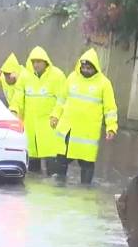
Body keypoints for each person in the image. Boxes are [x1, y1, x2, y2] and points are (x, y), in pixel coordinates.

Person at [50, 48, 118, 185]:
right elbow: (61, 100)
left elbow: (110, 108)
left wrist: (111, 127)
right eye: (84, 67)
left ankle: (85, 192)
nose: (86, 70)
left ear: (95, 67)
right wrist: (55, 116)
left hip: (88, 135)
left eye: (89, 68)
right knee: (61, 162)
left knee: (87, 165)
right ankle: (58, 190)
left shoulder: (104, 84)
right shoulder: (71, 78)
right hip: (67, 130)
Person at [10, 46, 66, 174]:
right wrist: (13, 111)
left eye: (39, 61)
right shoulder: (25, 77)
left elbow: (62, 99)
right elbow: (18, 98)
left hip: (50, 128)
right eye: (33, 61)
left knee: (53, 169)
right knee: (32, 172)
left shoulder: (57, 76)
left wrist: (56, 115)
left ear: (46, 61)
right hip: (30, 129)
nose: (36, 64)